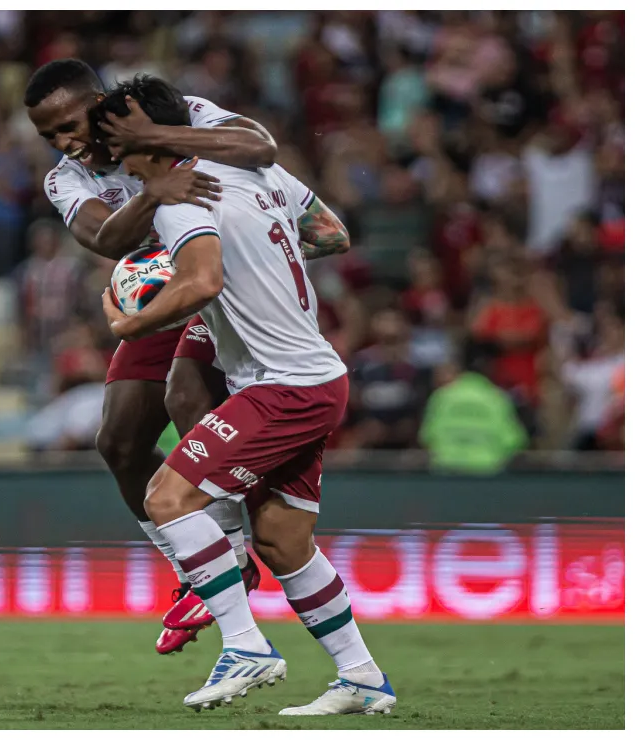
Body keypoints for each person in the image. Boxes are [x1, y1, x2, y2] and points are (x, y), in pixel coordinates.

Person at [93, 76, 394, 715]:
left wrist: (129, 323)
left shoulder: (179, 200)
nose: (110, 150)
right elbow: (331, 234)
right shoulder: (264, 176)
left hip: (279, 385)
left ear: (139, 139)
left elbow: (201, 282)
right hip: (318, 373)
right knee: (283, 538)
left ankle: (246, 646)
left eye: (116, 139)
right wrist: (259, 280)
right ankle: (362, 676)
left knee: (168, 498)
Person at [25, 58, 277, 655]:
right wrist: (154, 194)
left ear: (99, 101)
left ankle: (234, 550)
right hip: (167, 295)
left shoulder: (176, 112)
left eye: (71, 124)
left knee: (186, 396)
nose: (65, 142)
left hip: (229, 279)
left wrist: (155, 140)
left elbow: (259, 147)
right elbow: (104, 238)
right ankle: (199, 565)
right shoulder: (65, 178)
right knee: (117, 440)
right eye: (50, 135)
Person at [419, 345, 528, 474]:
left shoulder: (442, 396)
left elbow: (426, 436)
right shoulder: (497, 398)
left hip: (447, 472)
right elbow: (513, 441)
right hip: (487, 473)